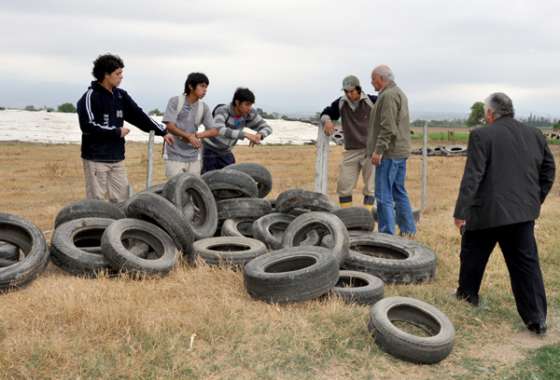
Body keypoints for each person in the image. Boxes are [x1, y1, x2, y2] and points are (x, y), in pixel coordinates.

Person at [453, 92, 555, 335]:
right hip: (521, 215)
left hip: (486, 213)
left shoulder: (481, 135)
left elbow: (473, 176)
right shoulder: (534, 134)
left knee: (473, 254)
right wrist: (534, 200)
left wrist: (460, 212)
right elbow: (549, 170)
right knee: (526, 266)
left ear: (490, 114)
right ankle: (537, 319)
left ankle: (467, 297)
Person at [77, 53, 174, 202]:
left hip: (117, 158)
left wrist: (163, 132)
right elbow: (88, 126)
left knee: (122, 200)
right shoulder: (90, 97)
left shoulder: (121, 96)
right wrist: (116, 132)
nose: (121, 76)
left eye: (121, 73)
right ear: (106, 75)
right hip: (96, 158)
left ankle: (119, 226)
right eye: (118, 73)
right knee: (96, 201)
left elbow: (139, 116)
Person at [366, 65, 416, 236]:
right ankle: (408, 230)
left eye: (373, 79)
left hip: (388, 153)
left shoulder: (388, 96)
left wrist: (378, 150)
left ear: (381, 78)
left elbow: (388, 127)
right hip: (400, 152)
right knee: (398, 191)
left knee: (383, 195)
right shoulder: (399, 92)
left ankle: (387, 235)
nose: (372, 82)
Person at [320, 75, 377, 210]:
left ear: (358, 89)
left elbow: (387, 115)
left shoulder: (373, 101)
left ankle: (367, 217)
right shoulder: (341, 102)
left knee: (370, 187)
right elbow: (325, 112)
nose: (349, 94)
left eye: (351, 91)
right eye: (346, 91)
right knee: (344, 186)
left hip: (370, 150)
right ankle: (348, 217)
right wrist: (327, 121)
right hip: (351, 150)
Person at [162, 72, 220, 177]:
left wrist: (196, 136)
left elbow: (214, 131)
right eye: (202, 86)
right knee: (175, 188)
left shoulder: (204, 107)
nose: (205, 90)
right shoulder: (175, 101)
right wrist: (188, 136)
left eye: (206, 87)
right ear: (190, 86)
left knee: (193, 188)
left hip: (194, 156)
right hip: (174, 154)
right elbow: (169, 126)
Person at [202, 88, 273, 173]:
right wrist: (245, 134)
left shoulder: (249, 114)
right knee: (209, 179)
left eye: (251, 105)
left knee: (231, 179)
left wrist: (260, 135)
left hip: (226, 152)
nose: (249, 108)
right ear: (237, 102)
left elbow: (267, 127)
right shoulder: (222, 110)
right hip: (209, 150)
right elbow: (219, 129)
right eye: (247, 104)